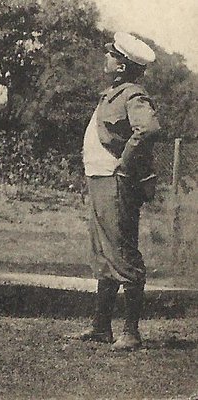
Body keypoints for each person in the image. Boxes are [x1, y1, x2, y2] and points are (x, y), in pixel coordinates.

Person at [74, 32, 160, 350]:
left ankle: (131, 332)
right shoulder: (112, 93)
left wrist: (125, 164)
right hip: (100, 179)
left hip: (115, 181)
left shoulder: (132, 94)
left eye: (111, 54)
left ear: (122, 66)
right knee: (104, 253)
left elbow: (148, 129)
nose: (106, 57)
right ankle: (101, 327)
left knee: (122, 253)